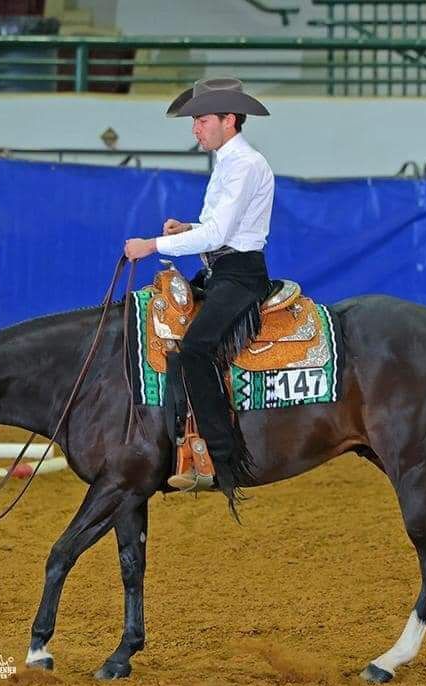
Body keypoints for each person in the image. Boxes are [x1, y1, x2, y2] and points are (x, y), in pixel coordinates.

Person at [124, 77, 275, 505]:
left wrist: (153, 245)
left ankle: (220, 458)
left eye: (202, 120)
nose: (195, 129)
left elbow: (221, 233)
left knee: (195, 349)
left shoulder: (244, 164)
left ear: (229, 120)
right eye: (195, 121)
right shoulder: (230, 162)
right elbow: (217, 230)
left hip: (239, 275)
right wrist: (189, 229)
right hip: (223, 270)